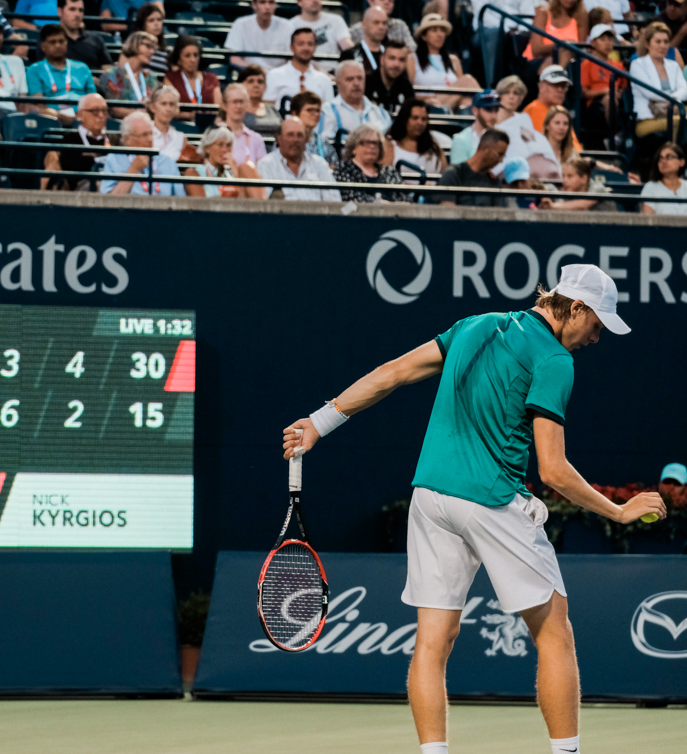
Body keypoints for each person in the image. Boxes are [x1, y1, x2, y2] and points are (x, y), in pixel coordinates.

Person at [281, 263, 661, 754]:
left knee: (433, 640)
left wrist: (320, 422)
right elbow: (553, 470)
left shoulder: (475, 324)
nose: (597, 337)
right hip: (491, 501)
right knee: (554, 631)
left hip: (431, 498)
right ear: (577, 308)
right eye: (597, 324)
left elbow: (392, 373)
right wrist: (618, 511)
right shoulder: (554, 361)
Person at [99, 110, 186, 196]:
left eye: (151, 134)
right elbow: (110, 200)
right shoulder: (114, 160)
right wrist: (133, 170)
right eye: (144, 135)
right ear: (127, 139)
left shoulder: (167, 162)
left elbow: (180, 200)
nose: (149, 139)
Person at [256, 115, 339, 201]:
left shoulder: (319, 164)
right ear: (279, 139)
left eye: (299, 135)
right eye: (290, 134)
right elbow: (267, 204)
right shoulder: (266, 164)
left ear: (306, 139)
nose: (295, 140)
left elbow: (334, 200)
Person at [408, 14, 479, 112]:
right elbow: (408, 90)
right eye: (434, 30)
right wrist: (425, 99)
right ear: (424, 36)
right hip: (428, 102)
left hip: (451, 103)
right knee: (467, 80)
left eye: (442, 30)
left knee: (466, 100)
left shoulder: (453, 60)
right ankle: (489, 108)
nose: (440, 34)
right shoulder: (412, 59)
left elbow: (464, 92)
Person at [26, 24, 95, 124]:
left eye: (61, 41)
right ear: (43, 46)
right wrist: (60, 116)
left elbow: (92, 100)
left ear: (66, 43)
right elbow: (39, 105)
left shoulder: (82, 68)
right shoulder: (34, 70)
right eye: (52, 42)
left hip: (83, 118)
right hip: (52, 118)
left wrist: (81, 116)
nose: (58, 45)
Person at [316, 60, 392, 150]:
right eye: (350, 79)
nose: (356, 83)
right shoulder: (326, 112)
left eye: (360, 78)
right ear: (337, 83)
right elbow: (320, 147)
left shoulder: (382, 114)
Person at [629, 22, 687, 141]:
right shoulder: (637, 65)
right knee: (680, 121)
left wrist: (673, 102)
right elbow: (650, 92)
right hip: (648, 120)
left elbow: (685, 89)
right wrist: (674, 102)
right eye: (658, 41)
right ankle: (674, 156)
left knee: (680, 119)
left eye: (666, 41)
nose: (663, 45)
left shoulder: (674, 65)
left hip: (674, 111)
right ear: (647, 44)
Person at [41, 91, 108, 191]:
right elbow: (73, 168)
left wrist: (91, 157)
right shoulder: (71, 139)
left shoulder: (114, 137)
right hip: (84, 185)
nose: (101, 115)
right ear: (81, 115)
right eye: (95, 111)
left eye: (104, 111)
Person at [182, 125, 265, 199]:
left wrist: (236, 171)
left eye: (228, 145)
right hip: (213, 215)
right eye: (220, 145)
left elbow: (246, 200)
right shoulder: (195, 173)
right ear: (208, 148)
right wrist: (224, 196)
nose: (225, 149)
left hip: (240, 213)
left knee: (247, 167)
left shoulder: (236, 172)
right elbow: (200, 206)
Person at [333, 122, 408, 202]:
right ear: (354, 147)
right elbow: (352, 199)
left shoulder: (389, 172)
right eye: (367, 142)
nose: (372, 146)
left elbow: (405, 200)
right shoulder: (344, 169)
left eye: (376, 143)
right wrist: (382, 204)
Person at [437, 127, 511, 206]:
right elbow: (447, 212)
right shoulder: (453, 175)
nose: (501, 161)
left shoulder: (494, 182)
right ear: (486, 149)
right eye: (499, 155)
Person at [580, 23, 625, 151]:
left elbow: (624, 87)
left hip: (616, 100)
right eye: (603, 39)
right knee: (608, 99)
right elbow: (584, 93)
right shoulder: (586, 64)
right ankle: (614, 136)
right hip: (595, 103)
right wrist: (606, 91)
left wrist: (618, 93)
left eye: (610, 39)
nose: (608, 43)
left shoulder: (618, 65)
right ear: (593, 43)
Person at [264, 28, 333, 111]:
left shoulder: (324, 80)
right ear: (292, 47)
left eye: (310, 44)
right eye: (301, 44)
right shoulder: (274, 75)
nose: (306, 48)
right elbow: (268, 108)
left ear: (315, 47)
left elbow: (328, 112)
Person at [524, 65, 582, 153]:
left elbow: (574, 146)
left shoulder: (561, 112)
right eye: (555, 85)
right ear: (541, 87)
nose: (560, 90)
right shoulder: (534, 109)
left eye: (563, 86)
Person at [99, 31, 157, 117]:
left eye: (154, 48)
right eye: (148, 46)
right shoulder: (112, 75)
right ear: (134, 45)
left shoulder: (151, 77)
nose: (152, 51)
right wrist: (143, 114)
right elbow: (114, 109)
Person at [523, 0, 588, 77]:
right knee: (559, 54)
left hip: (568, 61)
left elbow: (579, 48)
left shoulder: (581, 18)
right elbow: (536, 50)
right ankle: (556, 76)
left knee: (567, 53)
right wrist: (562, 44)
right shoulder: (543, 13)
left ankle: (557, 75)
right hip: (537, 60)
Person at [386, 98, 446, 181]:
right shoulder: (390, 145)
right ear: (404, 119)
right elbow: (384, 177)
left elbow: (445, 175)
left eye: (424, 119)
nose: (420, 123)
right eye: (415, 118)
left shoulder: (435, 147)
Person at [226, 0, 293, 71]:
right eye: (262, 2)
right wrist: (256, 72)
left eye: (271, 2)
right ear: (254, 5)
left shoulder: (287, 26)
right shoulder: (240, 24)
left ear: (276, 5)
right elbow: (234, 58)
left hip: (280, 75)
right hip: (250, 74)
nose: (267, 7)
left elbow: (294, 57)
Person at [164, 35, 222, 115]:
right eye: (187, 56)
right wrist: (188, 115)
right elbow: (168, 109)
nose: (192, 60)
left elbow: (219, 109)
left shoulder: (211, 79)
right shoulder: (171, 79)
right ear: (179, 60)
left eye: (195, 55)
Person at [290, 0, 352, 73]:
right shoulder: (291, 25)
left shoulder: (336, 20)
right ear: (299, 2)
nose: (315, 1)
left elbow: (347, 46)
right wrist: (322, 73)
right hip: (305, 71)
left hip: (335, 70)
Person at [539, 155, 618, 211]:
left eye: (570, 176)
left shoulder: (597, 187)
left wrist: (554, 206)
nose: (564, 180)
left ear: (584, 179)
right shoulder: (568, 192)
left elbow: (583, 204)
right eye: (563, 176)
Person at [148, 85, 199, 162]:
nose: (168, 109)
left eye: (171, 104)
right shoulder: (143, 132)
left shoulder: (181, 138)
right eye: (163, 104)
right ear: (152, 107)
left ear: (176, 108)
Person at [449, 89, 500, 164]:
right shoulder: (461, 140)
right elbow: (459, 173)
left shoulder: (503, 137)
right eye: (488, 110)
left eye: (496, 110)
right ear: (475, 111)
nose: (493, 115)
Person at [57, 0, 111, 71]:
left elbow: (110, 71)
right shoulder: (50, 41)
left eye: (80, 10)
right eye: (72, 9)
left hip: (95, 81)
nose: (77, 14)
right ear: (60, 12)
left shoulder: (96, 40)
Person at [222, 81, 267, 165]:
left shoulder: (257, 139)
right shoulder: (214, 136)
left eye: (242, 102)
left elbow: (262, 171)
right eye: (235, 102)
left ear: (247, 105)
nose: (238, 106)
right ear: (225, 105)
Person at [366, 39, 414, 117]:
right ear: (382, 59)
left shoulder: (406, 86)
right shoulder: (367, 82)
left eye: (401, 60)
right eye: (392, 58)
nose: (396, 64)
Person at [349, 0, 415, 54]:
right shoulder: (356, 30)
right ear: (370, 1)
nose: (386, 2)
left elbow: (412, 48)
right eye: (382, 0)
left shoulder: (400, 25)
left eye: (390, 1)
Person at [291, 89, 337, 166]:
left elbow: (333, 168)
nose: (316, 114)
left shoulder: (323, 143)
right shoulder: (285, 140)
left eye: (318, 110)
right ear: (295, 113)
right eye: (310, 110)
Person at [341, 6, 388, 78]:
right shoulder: (350, 55)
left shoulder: (392, 55)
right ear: (364, 24)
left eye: (384, 23)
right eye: (376, 22)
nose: (381, 27)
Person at [641, 142, 687, 214]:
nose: (663, 161)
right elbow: (647, 221)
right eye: (660, 158)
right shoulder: (650, 187)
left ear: (681, 162)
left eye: (669, 157)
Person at [240, 64, 281, 136]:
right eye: (250, 81)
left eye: (260, 81)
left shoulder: (271, 109)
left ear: (265, 86)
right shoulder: (236, 109)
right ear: (240, 85)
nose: (256, 85)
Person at [132, 3, 168, 76]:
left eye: (159, 20)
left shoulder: (167, 52)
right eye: (151, 20)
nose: (156, 24)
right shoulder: (133, 49)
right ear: (142, 24)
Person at [542, 104, 574, 177]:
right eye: (557, 123)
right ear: (547, 126)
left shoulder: (572, 155)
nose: (561, 127)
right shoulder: (537, 153)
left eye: (565, 123)